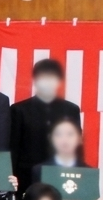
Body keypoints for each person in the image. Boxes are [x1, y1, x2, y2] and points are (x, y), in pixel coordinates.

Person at [11, 59, 82, 187]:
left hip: (61, 176)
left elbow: (76, 147)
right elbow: (13, 149)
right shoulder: (19, 110)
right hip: (27, 178)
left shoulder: (71, 110)